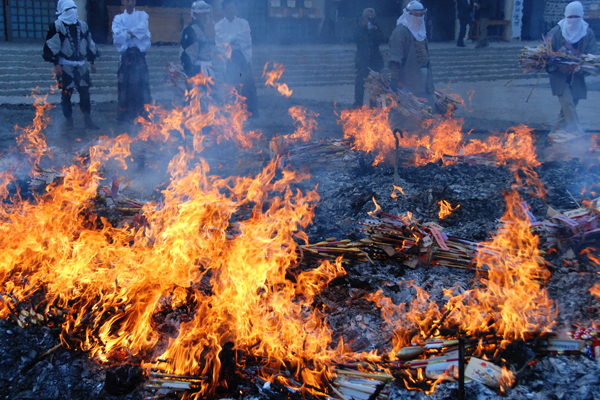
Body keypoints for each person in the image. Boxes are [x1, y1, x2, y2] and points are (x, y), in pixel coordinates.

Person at [43, 0, 100, 130]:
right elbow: (52, 45)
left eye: (74, 8)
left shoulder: (82, 25)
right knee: (66, 94)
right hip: (65, 65)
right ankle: (69, 122)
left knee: (85, 93)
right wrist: (56, 64)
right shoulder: (57, 26)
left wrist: (92, 62)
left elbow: (89, 42)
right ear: (62, 11)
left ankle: (87, 120)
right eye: (68, 9)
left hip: (80, 64)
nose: (72, 11)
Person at [546, 1, 598, 140]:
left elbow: (593, 54)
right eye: (570, 17)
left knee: (569, 106)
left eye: (576, 17)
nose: (573, 20)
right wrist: (557, 66)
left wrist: (583, 68)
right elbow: (547, 55)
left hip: (577, 75)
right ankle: (578, 132)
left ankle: (552, 134)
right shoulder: (555, 32)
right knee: (567, 103)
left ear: (581, 16)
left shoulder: (587, 33)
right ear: (565, 16)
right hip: (559, 75)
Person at [388, 1, 435, 134]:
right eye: (415, 14)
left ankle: (421, 139)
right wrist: (394, 78)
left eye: (421, 14)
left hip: (424, 77)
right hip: (408, 78)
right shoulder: (400, 31)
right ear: (409, 14)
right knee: (402, 109)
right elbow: (395, 59)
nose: (418, 17)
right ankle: (394, 138)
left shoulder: (421, 30)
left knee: (425, 109)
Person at [215, 0, 258, 118]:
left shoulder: (243, 23)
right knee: (231, 87)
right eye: (228, 8)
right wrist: (234, 40)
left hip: (243, 60)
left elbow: (246, 39)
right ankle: (233, 115)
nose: (231, 11)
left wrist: (231, 40)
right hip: (229, 62)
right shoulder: (219, 25)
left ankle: (251, 114)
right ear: (223, 10)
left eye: (233, 8)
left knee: (247, 86)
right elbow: (221, 41)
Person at [111, 0, 152, 122]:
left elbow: (143, 30)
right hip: (126, 58)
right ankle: (125, 114)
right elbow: (117, 37)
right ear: (123, 2)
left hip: (139, 57)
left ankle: (143, 113)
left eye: (132, 0)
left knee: (142, 85)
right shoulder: (118, 18)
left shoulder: (142, 15)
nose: (130, 2)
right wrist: (132, 34)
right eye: (127, 0)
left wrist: (127, 32)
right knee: (124, 87)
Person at [354, 8, 385, 108]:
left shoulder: (376, 27)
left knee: (375, 85)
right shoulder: (360, 27)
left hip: (375, 61)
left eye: (371, 16)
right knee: (360, 83)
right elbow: (355, 38)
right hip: (362, 60)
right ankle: (358, 105)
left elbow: (381, 40)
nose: (369, 18)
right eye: (367, 16)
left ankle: (374, 105)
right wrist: (363, 26)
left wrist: (374, 29)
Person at [180, 1, 214, 79]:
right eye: (202, 13)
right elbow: (189, 54)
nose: (205, 16)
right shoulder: (191, 29)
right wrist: (190, 74)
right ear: (195, 14)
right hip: (197, 71)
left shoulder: (200, 28)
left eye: (206, 13)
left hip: (204, 68)